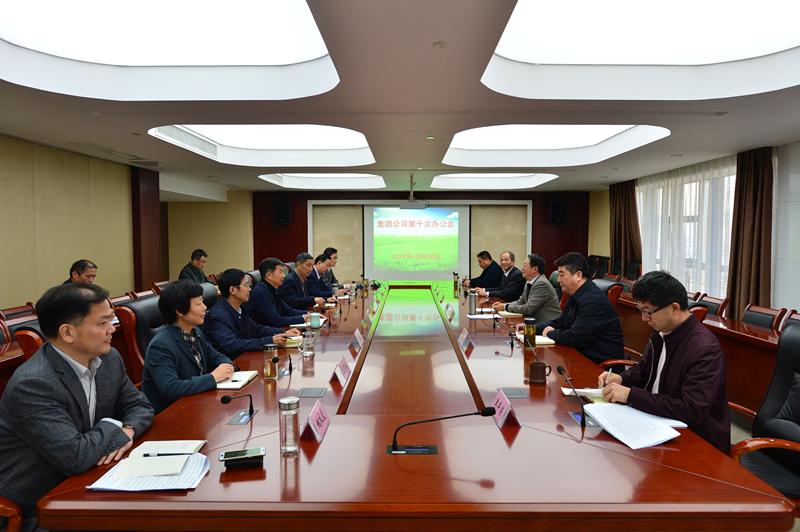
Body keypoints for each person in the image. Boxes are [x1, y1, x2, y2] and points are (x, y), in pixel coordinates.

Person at [0, 283, 153, 526]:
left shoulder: (109, 359)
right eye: (103, 323)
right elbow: (76, 456)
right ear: (68, 333)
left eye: (111, 319)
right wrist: (115, 426)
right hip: (37, 508)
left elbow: (141, 406)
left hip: (94, 479)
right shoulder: (33, 384)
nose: (112, 329)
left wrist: (128, 429)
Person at [597, 271, 731, 452]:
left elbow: (690, 409)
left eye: (648, 312)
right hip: (656, 420)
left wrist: (630, 395)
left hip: (695, 439)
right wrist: (621, 378)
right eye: (641, 311)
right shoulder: (663, 331)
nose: (644, 319)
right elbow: (644, 369)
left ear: (674, 308)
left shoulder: (705, 349)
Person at [141, 280, 235, 413]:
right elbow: (170, 388)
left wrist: (226, 366)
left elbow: (218, 357)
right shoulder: (160, 346)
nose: (204, 307)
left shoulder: (195, 332)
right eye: (198, 303)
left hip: (197, 404)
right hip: (171, 413)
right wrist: (213, 377)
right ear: (179, 310)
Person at [537, 252, 624, 364]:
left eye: (561, 275)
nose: (558, 280)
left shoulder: (593, 300)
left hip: (599, 366)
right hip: (579, 357)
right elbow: (560, 322)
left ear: (578, 275)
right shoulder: (576, 294)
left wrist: (550, 333)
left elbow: (575, 337)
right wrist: (530, 329)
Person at [205, 269, 301, 358]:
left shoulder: (241, 307)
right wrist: (270, 340)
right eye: (246, 285)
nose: (249, 289)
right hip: (232, 363)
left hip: (246, 357)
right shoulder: (218, 315)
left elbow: (256, 329)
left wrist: (283, 333)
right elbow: (232, 345)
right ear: (233, 290)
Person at [492, 253, 561, 322]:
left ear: (535, 269)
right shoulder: (529, 281)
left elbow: (528, 309)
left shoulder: (541, 283)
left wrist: (505, 307)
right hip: (533, 321)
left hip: (547, 324)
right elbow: (521, 301)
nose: (522, 268)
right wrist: (503, 305)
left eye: (525, 265)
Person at [248, 258, 309, 327]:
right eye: (280, 272)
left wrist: (309, 314)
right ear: (268, 275)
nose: (284, 275)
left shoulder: (275, 289)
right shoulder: (261, 293)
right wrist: (302, 318)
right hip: (267, 331)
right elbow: (275, 320)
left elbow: (288, 311)